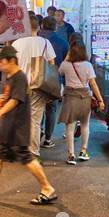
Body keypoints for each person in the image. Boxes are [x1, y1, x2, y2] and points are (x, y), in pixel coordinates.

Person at [0, 45, 57, 205]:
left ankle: (47, 188)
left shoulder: (20, 77)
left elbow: (16, 100)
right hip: (8, 126)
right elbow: (9, 96)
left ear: (11, 61)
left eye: (1, 62)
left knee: (27, 158)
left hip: (17, 127)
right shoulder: (10, 77)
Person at [11, 22, 56, 159]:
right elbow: (52, 64)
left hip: (20, 86)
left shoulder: (17, 43)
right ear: (39, 27)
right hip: (38, 87)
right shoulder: (45, 43)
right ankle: (34, 152)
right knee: (35, 121)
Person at [58, 41, 104, 165]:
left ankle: (71, 155)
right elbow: (93, 84)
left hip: (70, 98)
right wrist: (100, 100)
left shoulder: (65, 65)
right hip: (85, 98)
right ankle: (83, 151)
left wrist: (68, 57)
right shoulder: (88, 65)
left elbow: (59, 72)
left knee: (70, 127)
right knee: (85, 125)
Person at [39, 17, 68, 148]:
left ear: (41, 26)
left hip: (35, 79)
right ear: (55, 27)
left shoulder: (35, 39)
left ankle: (38, 132)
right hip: (54, 80)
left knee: (36, 107)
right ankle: (48, 139)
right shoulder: (63, 42)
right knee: (51, 109)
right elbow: (65, 63)